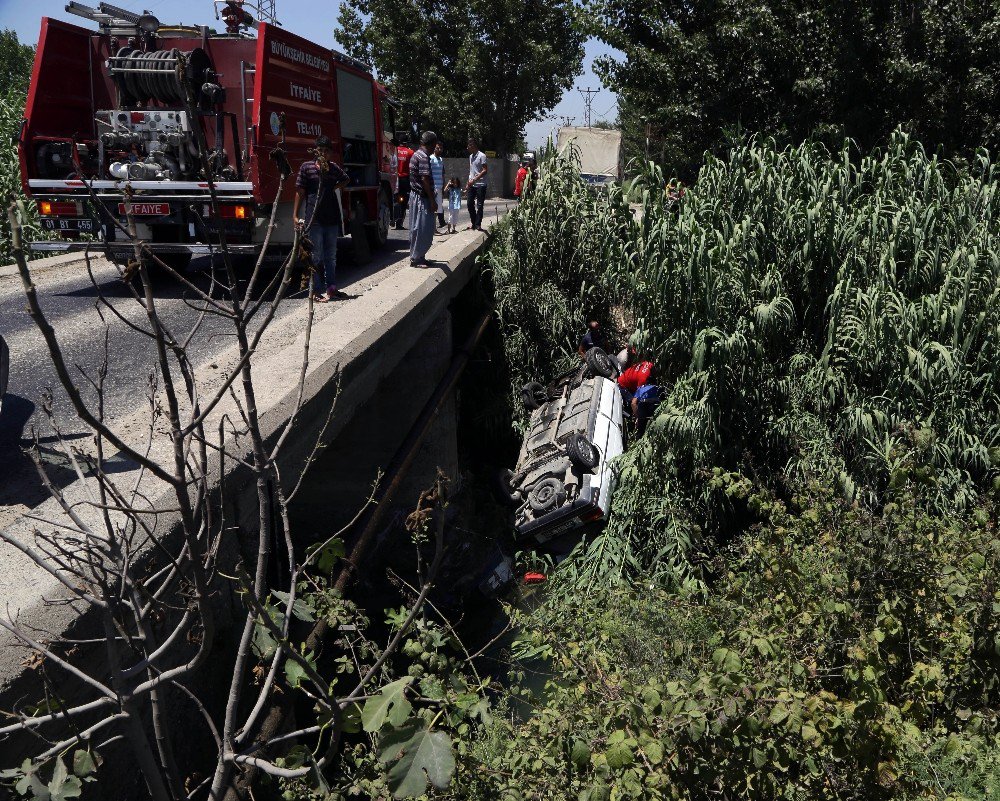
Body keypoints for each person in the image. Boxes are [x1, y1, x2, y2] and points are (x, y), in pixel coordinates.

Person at [292, 135, 351, 302]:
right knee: (315, 256)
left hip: (331, 219)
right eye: (320, 151)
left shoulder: (333, 169)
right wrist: (295, 215)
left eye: (326, 151)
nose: (323, 154)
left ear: (330, 153)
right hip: (314, 220)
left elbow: (346, 179)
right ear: (315, 151)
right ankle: (315, 291)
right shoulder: (307, 168)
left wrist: (334, 187)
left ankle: (331, 287)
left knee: (330, 255)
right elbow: (300, 192)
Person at [408, 130, 439, 267]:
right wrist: (432, 200)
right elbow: (425, 179)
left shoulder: (416, 154)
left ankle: (418, 255)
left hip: (416, 195)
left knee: (417, 227)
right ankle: (417, 258)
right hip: (422, 197)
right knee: (423, 227)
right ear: (432, 144)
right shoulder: (424, 157)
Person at [465, 137, 488, 230]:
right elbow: (472, 171)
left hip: (481, 185)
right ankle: (474, 222)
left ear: (473, 145)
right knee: (469, 204)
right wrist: (468, 182)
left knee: (479, 205)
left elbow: (485, 170)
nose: (467, 148)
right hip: (472, 184)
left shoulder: (482, 156)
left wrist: (474, 179)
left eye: (468, 146)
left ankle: (478, 224)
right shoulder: (470, 156)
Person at [394, 136, 415, 229]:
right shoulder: (410, 152)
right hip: (404, 180)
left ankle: (392, 219)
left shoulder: (394, 150)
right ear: (406, 143)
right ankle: (399, 222)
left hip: (393, 179)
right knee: (403, 201)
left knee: (394, 199)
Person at [430, 140, 446, 230]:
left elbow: (442, 174)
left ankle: (434, 228)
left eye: (441, 148)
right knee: (434, 209)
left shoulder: (441, 160)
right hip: (434, 187)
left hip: (440, 187)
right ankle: (433, 229)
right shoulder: (431, 158)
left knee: (438, 208)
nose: (439, 149)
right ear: (434, 148)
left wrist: (443, 187)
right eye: (437, 148)